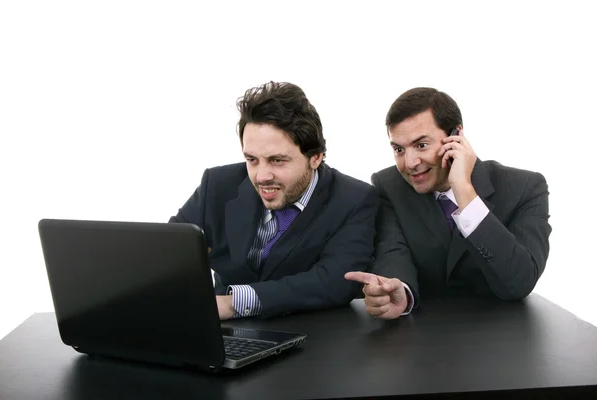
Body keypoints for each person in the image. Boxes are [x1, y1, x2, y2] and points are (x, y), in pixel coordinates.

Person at [170, 81, 378, 319]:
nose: (261, 176)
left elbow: (336, 281)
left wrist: (232, 304)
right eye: (252, 160)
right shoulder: (217, 184)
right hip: (220, 334)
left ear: (316, 157)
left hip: (311, 338)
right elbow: (171, 251)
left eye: (277, 160)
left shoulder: (355, 199)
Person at [346, 87, 551, 319]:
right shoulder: (389, 185)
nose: (410, 163)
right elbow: (393, 251)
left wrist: (464, 189)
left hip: (503, 336)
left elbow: (519, 282)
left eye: (421, 145)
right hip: (422, 337)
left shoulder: (525, 187)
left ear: (456, 136)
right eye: (399, 149)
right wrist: (400, 290)